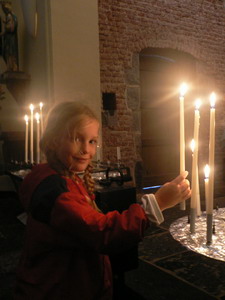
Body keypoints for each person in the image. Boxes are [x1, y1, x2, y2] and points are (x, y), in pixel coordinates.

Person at [14, 101, 191, 300]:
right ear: (54, 140)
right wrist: (157, 203)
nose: (86, 149)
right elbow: (101, 232)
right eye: (76, 139)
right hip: (61, 288)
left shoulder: (59, 177)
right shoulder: (55, 192)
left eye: (91, 141)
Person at [0, 2, 19, 71]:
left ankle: (12, 67)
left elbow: (11, 27)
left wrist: (5, 26)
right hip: (8, 39)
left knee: (10, 52)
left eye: (4, 9)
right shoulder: (9, 16)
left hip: (10, 39)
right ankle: (10, 67)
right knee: (7, 53)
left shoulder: (10, 16)